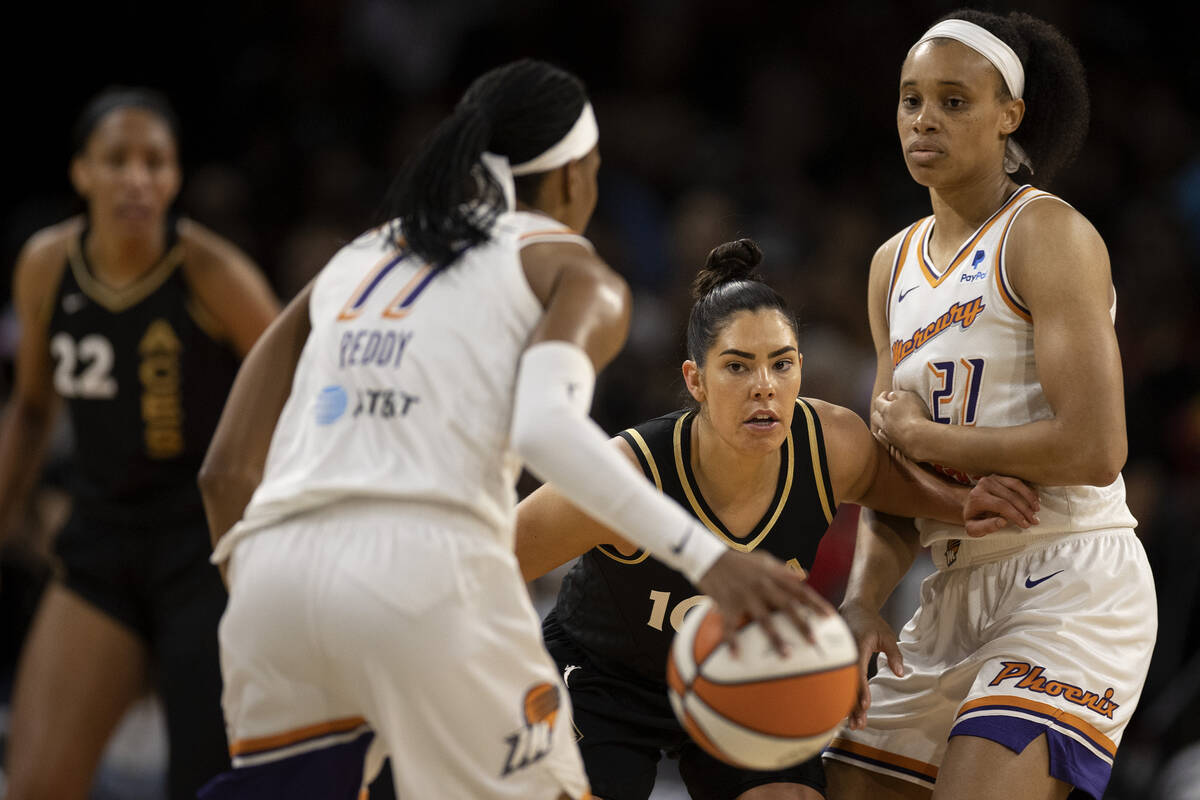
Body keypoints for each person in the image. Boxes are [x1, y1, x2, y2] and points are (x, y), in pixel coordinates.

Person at [195, 59, 832, 800]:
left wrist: (283, 601)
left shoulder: (355, 259)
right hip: (425, 572)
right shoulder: (570, 269)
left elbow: (224, 473)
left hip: (272, 579)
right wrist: (709, 560)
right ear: (574, 178)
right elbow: (544, 428)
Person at [515, 238, 1037, 800]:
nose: (764, 384)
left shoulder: (829, 444)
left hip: (746, 671)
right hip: (604, 681)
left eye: (781, 364)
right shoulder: (627, 471)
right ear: (695, 380)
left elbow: (897, 493)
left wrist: (964, 505)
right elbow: (484, 560)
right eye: (737, 366)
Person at [819, 11, 1157, 800]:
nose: (924, 119)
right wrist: (864, 599)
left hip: (1069, 579)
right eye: (910, 100)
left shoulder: (1047, 234)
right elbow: (889, 483)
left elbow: (1097, 445)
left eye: (954, 101)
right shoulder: (889, 265)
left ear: (1011, 116)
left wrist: (931, 437)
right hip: (948, 590)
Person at [0, 87, 280, 800]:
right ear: (81, 174)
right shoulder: (46, 266)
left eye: (154, 162)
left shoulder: (210, 272)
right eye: (116, 160)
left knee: (205, 785)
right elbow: (32, 409)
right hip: (100, 541)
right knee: (35, 784)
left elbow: (298, 385)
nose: (136, 177)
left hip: (203, 546)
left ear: (175, 178)